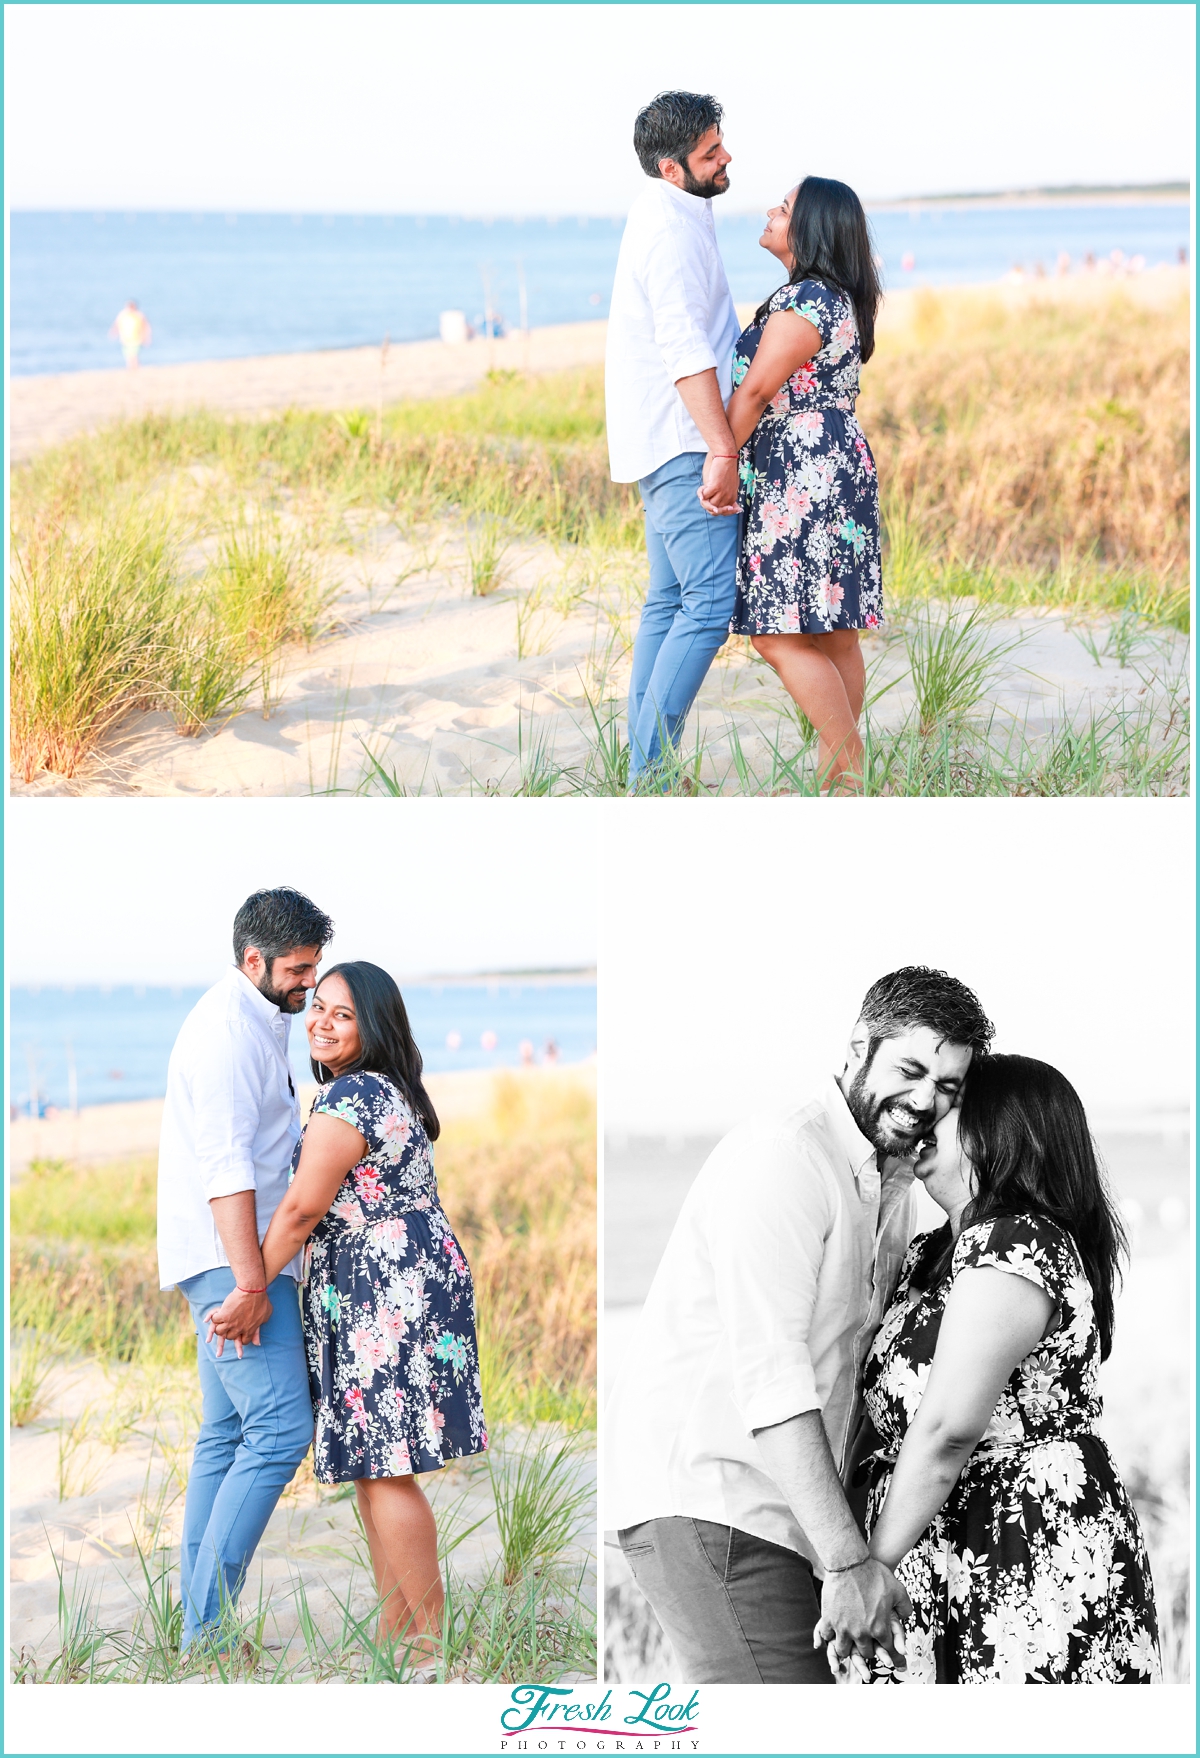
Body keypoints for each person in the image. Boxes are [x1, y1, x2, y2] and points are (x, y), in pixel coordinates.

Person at [604, 967, 995, 1682]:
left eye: (948, 1087)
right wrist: (848, 1560)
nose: (924, 1100)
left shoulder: (891, 1184)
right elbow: (773, 1376)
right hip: (716, 1500)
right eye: (910, 1069)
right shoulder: (786, 1157)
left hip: (785, 1519)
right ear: (858, 1046)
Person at [829, 1053, 1160, 1684]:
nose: (927, 1117)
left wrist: (867, 1568)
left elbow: (949, 1428)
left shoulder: (1014, 1241)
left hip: (1019, 1542)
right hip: (928, 1542)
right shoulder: (933, 1252)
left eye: (952, 1109)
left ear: (998, 1132)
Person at [213, 961, 488, 1668]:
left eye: (343, 1014)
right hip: (393, 1281)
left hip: (384, 1291)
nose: (322, 1022)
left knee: (387, 1465)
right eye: (319, 1008)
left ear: (374, 1026)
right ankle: (402, 1626)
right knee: (377, 1464)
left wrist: (251, 1287)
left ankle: (427, 1638)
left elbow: (303, 1209)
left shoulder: (355, 1096)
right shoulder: (376, 1090)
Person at [156, 886, 334, 1652]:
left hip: (225, 1257)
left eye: (314, 968)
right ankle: (206, 1632)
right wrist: (253, 1284)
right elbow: (227, 1169)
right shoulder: (228, 1034)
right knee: (279, 1429)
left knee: (226, 1433)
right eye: (297, 970)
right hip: (236, 1260)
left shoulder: (259, 1020)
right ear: (253, 960)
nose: (308, 984)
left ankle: (195, 1625)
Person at [711, 177, 884, 792]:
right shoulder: (836, 297)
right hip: (834, 467)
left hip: (800, 472)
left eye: (782, 208)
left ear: (808, 229)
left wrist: (721, 455)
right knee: (834, 631)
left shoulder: (809, 299)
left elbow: (756, 392)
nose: (769, 211)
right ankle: (840, 776)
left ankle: (846, 759)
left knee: (776, 633)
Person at [605, 91, 741, 787]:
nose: (726, 159)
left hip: (663, 437)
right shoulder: (670, 229)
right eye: (710, 153)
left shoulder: (674, 209)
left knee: (668, 601)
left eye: (721, 144)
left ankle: (641, 770)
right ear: (670, 166)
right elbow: (683, 343)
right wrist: (722, 447)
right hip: (683, 440)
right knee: (710, 604)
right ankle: (649, 776)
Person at [110, 299, 151, 369]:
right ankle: (130, 368)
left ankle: (136, 368)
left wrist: (147, 337)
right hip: (125, 338)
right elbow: (117, 324)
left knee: (134, 355)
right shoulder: (123, 314)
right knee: (128, 355)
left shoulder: (139, 315)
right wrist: (113, 332)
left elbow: (146, 326)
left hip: (137, 338)